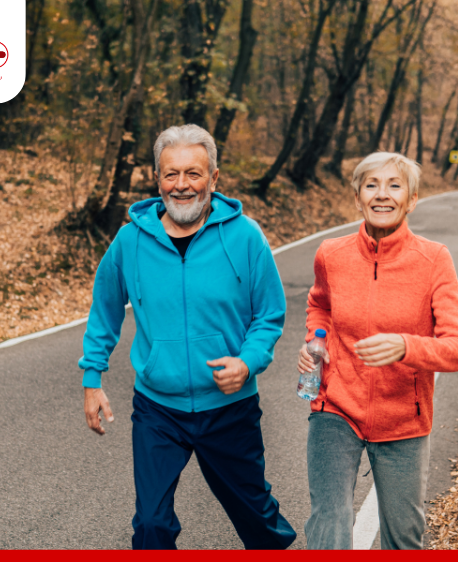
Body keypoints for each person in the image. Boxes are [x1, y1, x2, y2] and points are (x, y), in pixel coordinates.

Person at [79, 124, 296, 550]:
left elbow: (269, 314)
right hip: (159, 409)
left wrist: (248, 361)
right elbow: (104, 309)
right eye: (171, 174)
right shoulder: (130, 241)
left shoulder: (245, 236)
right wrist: (92, 377)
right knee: (152, 527)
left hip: (229, 408)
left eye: (193, 174)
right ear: (157, 179)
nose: (182, 185)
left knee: (259, 522)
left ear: (214, 178)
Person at [298, 152, 458, 550]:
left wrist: (405, 346)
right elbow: (320, 305)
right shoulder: (331, 254)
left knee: (404, 537)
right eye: (371, 185)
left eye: (394, 186)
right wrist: (318, 338)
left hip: (403, 420)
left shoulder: (434, 260)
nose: (382, 195)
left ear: (411, 199)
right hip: (335, 407)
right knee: (329, 524)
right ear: (358, 197)